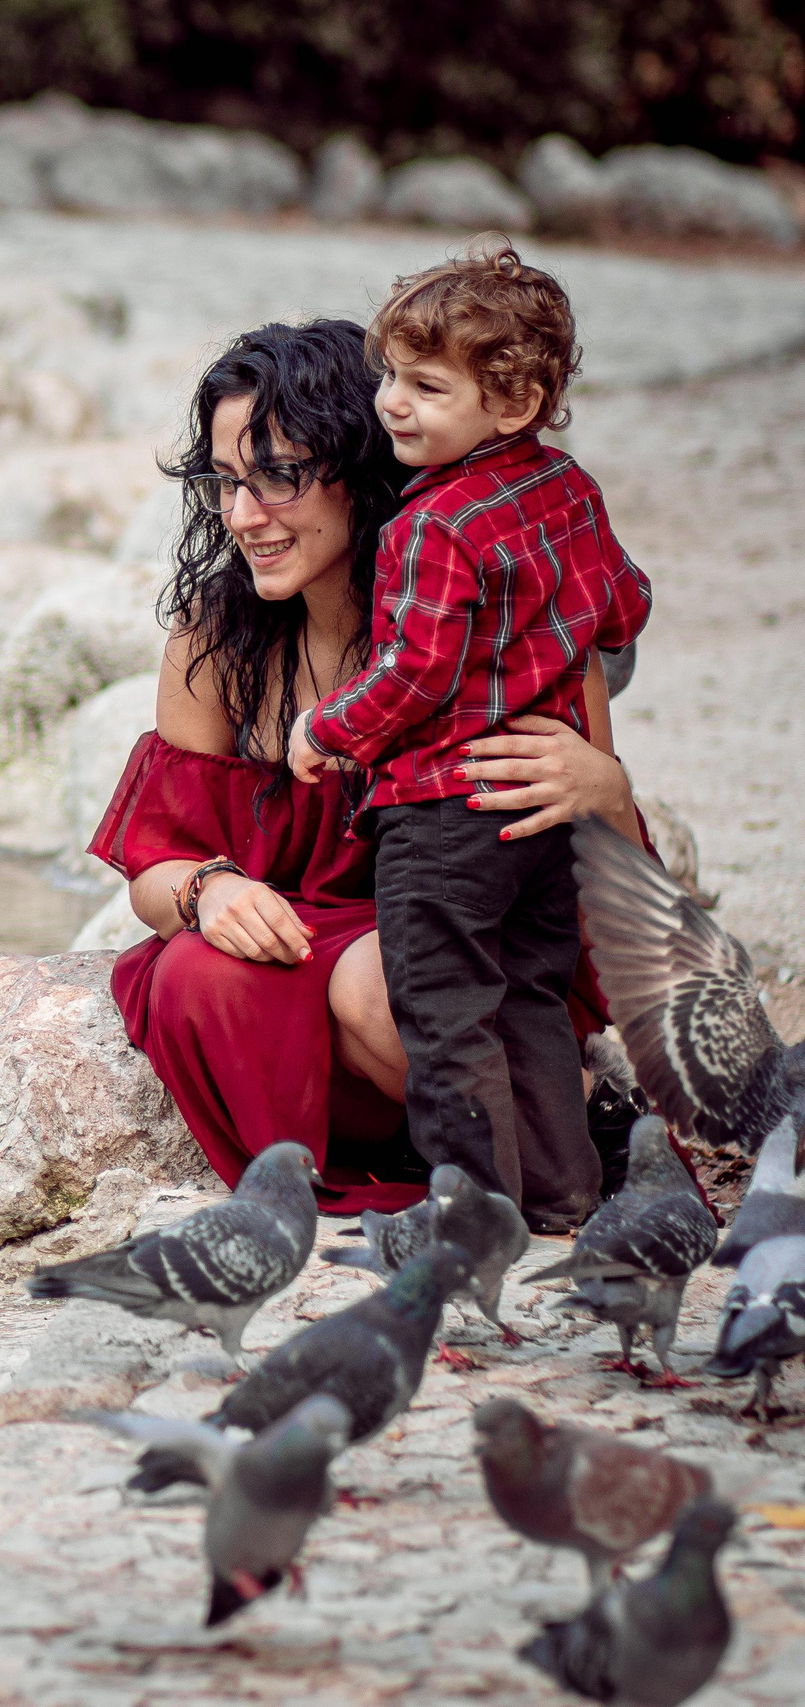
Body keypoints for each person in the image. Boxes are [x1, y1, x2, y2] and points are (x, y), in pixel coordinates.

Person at [89, 319, 640, 1215]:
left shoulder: (500, 625)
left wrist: (606, 788)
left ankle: (571, 1126)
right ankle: (471, 1159)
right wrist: (211, 891)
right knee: (196, 969)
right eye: (227, 483)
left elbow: (603, 878)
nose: (242, 517)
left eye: (277, 477)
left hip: (479, 958)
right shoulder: (213, 640)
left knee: (383, 981)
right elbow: (155, 869)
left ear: (361, 466)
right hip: (297, 970)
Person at [288, 243, 651, 1232]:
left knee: (443, 1017)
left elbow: (414, 672)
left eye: (426, 386)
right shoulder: (570, 490)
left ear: (515, 399)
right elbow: (623, 608)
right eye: (391, 380)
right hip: (536, 810)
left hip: (441, 815)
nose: (392, 406)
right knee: (529, 998)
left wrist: (327, 727)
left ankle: (472, 1218)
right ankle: (565, 1196)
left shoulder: (428, 527)